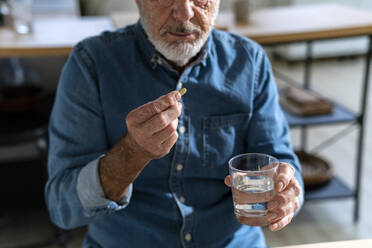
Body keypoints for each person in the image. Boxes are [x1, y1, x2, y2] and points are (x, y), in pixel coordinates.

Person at [45, 0, 304, 247]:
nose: (184, 14)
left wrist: (289, 191)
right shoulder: (91, 64)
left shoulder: (249, 61)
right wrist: (133, 152)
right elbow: (62, 207)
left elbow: (281, 161)